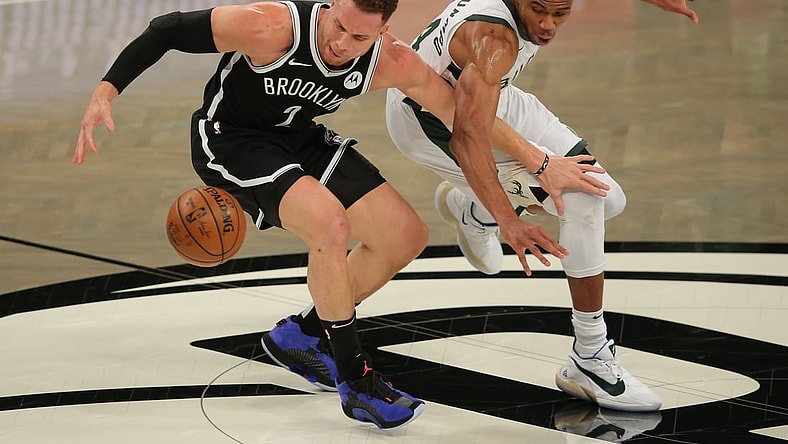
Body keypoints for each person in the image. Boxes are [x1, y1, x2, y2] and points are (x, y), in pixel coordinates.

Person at [73, 0, 603, 429]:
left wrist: (537, 167)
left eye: (360, 38)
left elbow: (466, 117)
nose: (341, 45)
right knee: (329, 224)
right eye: (340, 28)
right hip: (232, 141)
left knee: (405, 234)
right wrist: (106, 90)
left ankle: (301, 336)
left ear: (384, 32)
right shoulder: (273, 27)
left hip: (299, 139)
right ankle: (355, 377)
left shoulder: (390, 60)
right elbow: (167, 29)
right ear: (328, 8)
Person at [385, 0, 699, 412]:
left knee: (609, 199)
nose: (548, 24)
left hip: (488, 94)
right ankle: (589, 355)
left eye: (561, 12)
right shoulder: (493, 38)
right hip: (430, 122)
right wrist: (509, 218)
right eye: (538, 10)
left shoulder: (518, 31)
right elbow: (467, 134)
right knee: (584, 200)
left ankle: (472, 206)